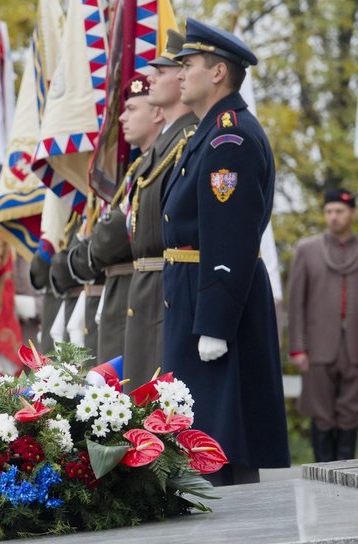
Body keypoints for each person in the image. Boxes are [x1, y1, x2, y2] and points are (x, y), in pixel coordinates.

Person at [161, 19, 290, 485]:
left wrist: (214, 323)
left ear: (218, 72)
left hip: (214, 307)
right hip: (195, 300)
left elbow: (230, 235)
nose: (179, 74)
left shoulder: (228, 139)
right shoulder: (206, 134)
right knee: (199, 440)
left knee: (219, 445)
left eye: (188, 64)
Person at [121, 29, 199, 388]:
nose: (151, 77)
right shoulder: (167, 144)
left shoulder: (186, 142)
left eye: (163, 70)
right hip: (146, 287)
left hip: (165, 289)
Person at [68, 74, 163, 364]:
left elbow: (112, 235)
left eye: (132, 109)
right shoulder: (138, 165)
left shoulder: (161, 161)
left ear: (158, 112)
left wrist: (96, 241)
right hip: (123, 294)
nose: (121, 118)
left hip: (141, 295)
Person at [287, 188, 358, 462]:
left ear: (351, 212)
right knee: (321, 412)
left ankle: (348, 475)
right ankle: (322, 475)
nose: (333, 217)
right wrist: (297, 348)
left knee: (351, 412)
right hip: (317, 347)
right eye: (328, 211)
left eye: (339, 211)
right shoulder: (308, 250)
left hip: (353, 347)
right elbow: (296, 303)